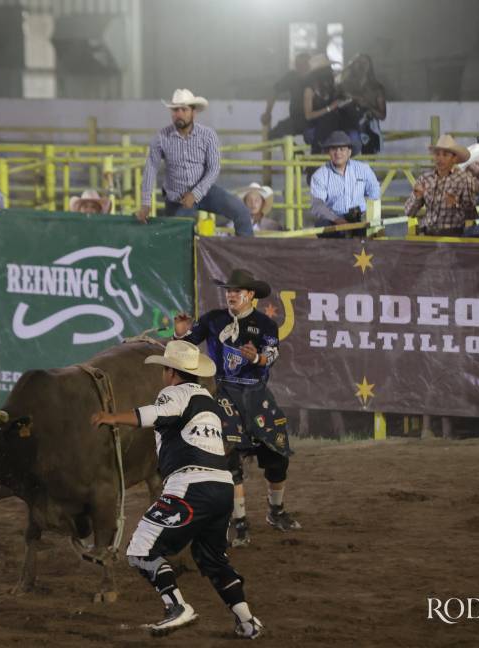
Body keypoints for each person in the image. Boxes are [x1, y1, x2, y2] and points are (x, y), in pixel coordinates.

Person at [91, 340, 264, 639]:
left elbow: (153, 415)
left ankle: (177, 606)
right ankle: (247, 621)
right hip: (222, 487)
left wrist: (112, 417)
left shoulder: (175, 393)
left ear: (171, 372)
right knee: (212, 559)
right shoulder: (207, 400)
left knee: (141, 549)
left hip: (191, 485)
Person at [173, 269, 298, 548]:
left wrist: (257, 358)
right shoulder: (212, 319)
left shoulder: (266, 324)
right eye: (228, 290)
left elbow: (272, 354)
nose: (230, 294)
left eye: (236, 291)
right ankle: (239, 523)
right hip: (224, 394)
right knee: (229, 460)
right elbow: (185, 346)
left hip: (256, 394)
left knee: (278, 458)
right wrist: (180, 334)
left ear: (250, 295)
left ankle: (276, 511)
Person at [137, 89, 254, 237]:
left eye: (184, 110)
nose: (179, 114)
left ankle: (246, 250)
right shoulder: (161, 137)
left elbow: (214, 168)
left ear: (194, 112)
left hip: (205, 191)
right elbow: (150, 169)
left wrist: (195, 193)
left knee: (241, 211)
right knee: (180, 235)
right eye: (175, 110)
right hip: (177, 198)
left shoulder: (208, 135)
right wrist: (146, 203)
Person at [404, 134, 478, 236]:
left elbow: (472, 214)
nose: (440, 159)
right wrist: (417, 197)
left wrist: (456, 204)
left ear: (454, 158)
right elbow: (408, 212)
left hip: (453, 235)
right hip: (427, 234)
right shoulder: (425, 179)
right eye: (437, 154)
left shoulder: (464, 180)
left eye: (445, 155)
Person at [309, 131, 380, 236]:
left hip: (361, 218)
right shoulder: (319, 175)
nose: (338, 153)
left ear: (349, 152)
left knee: (374, 226)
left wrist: (367, 214)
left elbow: (375, 192)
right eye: (334, 149)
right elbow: (317, 205)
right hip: (334, 219)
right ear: (329, 152)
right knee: (321, 225)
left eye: (342, 149)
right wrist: (336, 219)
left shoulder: (364, 169)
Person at [302, 54, 355, 155]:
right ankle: (319, 152)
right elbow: (308, 116)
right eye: (327, 69)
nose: (330, 70)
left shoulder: (332, 86)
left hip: (333, 125)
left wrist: (343, 102)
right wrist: (329, 108)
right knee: (329, 119)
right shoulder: (309, 90)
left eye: (329, 68)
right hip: (315, 127)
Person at [338, 54, 387, 155]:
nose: (361, 66)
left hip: (368, 128)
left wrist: (367, 105)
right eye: (358, 63)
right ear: (353, 65)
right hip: (348, 127)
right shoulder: (344, 85)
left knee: (368, 152)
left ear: (370, 66)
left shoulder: (376, 88)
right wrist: (351, 100)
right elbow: (337, 105)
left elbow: (382, 115)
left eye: (364, 63)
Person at [261, 52, 312, 141]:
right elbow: (274, 91)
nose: (300, 67)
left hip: (314, 119)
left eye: (303, 64)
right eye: (297, 64)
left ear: (309, 65)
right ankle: (293, 150)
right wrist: (268, 112)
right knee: (274, 135)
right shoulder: (292, 77)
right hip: (296, 119)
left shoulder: (317, 76)